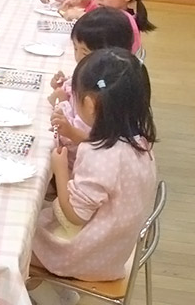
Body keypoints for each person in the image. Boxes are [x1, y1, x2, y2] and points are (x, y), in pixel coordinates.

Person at [29, 48, 157, 305]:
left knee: (16, 243)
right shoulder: (138, 138)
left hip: (91, 252)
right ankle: (65, 292)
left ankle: (55, 298)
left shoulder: (101, 156)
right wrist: (76, 135)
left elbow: (73, 215)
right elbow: (107, 159)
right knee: (34, 213)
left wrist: (60, 169)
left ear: (89, 104)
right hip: (116, 242)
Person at [49, 7, 135, 170]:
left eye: (85, 52)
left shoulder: (109, 94)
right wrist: (62, 86)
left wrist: (71, 132)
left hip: (84, 166)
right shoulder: (94, 76)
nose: (78, 57)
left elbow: (102, 145)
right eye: (75, 49)